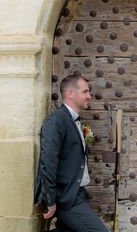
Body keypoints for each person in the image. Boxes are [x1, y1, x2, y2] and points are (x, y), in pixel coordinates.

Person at [34, 74, 109, 232]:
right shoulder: (56, 120)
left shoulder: (74, 120)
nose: (89, 96)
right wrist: (50, 199)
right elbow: (48, 161)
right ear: (70, 93)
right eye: (85, 91)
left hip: (77, 194)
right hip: (66, 198)